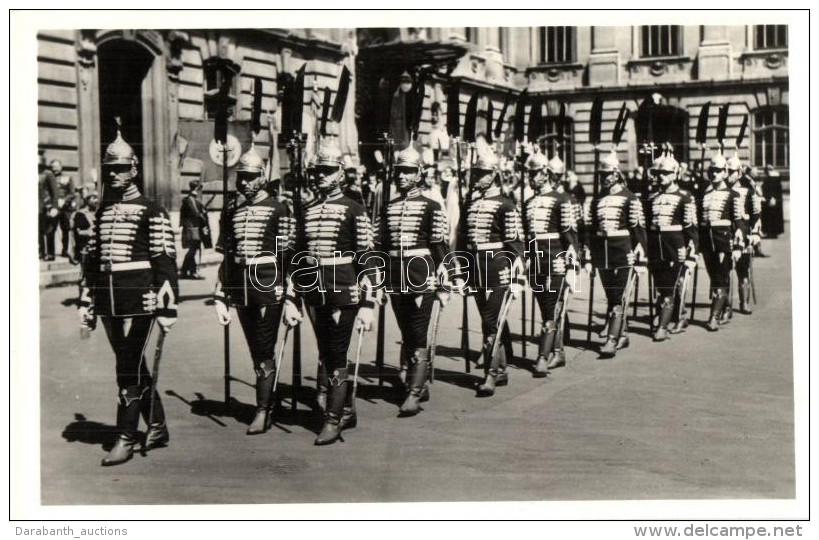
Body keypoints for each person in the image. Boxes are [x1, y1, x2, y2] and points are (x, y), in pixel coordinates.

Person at [77, 129, 179, 466]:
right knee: (133, 365)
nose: (115, 174)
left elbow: (165, 258)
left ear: (134, 169)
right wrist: (86, 301)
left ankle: (125, 437)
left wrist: (168, 304)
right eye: (110, 169)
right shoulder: (103, 211)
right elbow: (92, 260)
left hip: (141, 298)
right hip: (109, 301)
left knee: (127, 367)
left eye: (121, 168)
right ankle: (158, 425)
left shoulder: (152, 209)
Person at [283, 138, 380, 445]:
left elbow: (366, 256)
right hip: (314, 291)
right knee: (326, 353)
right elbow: (297, 256)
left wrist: (369, 302)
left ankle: (333, 419)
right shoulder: (307, 210)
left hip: (343, 289)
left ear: (340, 173)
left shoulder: (354, 209)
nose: (320, 176)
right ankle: (346, 408)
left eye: (327, 171)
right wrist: (291, 296)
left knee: (336, 354)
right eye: (318, 171)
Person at [213, 146, 295, 435]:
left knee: (263, 345)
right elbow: (228, 255)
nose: (244, 182)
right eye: (241, 177)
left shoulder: (278, 208)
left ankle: (263, 409)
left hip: (268, 283)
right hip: (241, 286)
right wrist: (220, 293)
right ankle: (267, 400)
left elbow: (288, 255)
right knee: (255, 347)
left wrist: (291, 296)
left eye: (250, 177)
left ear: (262, 176)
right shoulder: (233, 209)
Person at [373, 144, 452, 415]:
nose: (402, 176)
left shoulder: (431, 206)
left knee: (418, 334)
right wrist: (380, 281)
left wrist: (445, 282)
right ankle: (418, 382)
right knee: (406, 332)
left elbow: (440, 246)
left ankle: (414, 393)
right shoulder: (389, 206)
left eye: (407, 172)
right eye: (399, 171)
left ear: (418, 174)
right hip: (395, 277)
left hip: (421, 276)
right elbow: (381, 246)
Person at [464, 146, 525, 397]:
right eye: (476, 172)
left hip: (497, 267)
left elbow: (516, 243)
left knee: (491, 322)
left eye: (483, 173)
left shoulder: (505, 204)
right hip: (477, 268)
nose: (478, 177)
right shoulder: (471, 202)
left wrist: (518, 276)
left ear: (494, 175)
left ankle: (489, 373)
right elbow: (464, 238)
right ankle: (499, 370)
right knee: (487, 321)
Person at [584, 149, 647, 358]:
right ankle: (622, 334)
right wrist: (590, 256)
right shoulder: (597, 200)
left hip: (622, 251)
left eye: (607, 174)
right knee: (611, 296)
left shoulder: (630, 198)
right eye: (601, 175)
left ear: (616, 174)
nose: (603, 178)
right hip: (603, 254)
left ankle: (611, 339)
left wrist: (641, 255)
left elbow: (638, 228)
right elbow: (592, 230)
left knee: (619, 296)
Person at [524, 152, 580, 375]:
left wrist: (572, 267)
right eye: (529, 172)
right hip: (535, 262)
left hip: (555, 259)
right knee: (547, 308)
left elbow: (570, 236)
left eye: (534, 172)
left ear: (545, 173)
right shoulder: (528, 202)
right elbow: (528, 236)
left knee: (551, 310)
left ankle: (542, 357)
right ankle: (558, 352)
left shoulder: (561, 199)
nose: (531, 176)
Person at [645, 153, 698, 341]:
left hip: (674, 247)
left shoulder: (685, 198)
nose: (661, 176)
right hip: (655, 248)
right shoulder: (652, 198)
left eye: (666, 173)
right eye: (659, 173)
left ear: (675, 174)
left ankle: (663, 327)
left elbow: (691, 228)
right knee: (661, 286)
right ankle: (674, 316)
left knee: (669, 287)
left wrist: (692, 251)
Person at [698, 150, 746, 331]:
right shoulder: (705, 194)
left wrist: (738, 245)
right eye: (711, 171)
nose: (714, 174)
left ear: (725, 172)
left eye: (718, 170)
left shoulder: (733, 195)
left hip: (723, 242)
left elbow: (739, 221)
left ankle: (714, 317)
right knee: (715, 277)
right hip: (706, 242)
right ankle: (725, 307)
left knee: (720, 278)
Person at [727, 154, 762, 314]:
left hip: (744, 234)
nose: (728, 175)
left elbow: (755, 214)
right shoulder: (719, 189)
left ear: (739, 172)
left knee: (743, 269)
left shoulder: (748, 190)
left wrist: (755, 233)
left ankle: (744, 302)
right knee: (724, 270)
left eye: (732, 171)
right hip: (726, 234)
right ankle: (724, 305)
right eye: (726, 171)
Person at [179, 180, 210, 280]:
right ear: (196, 189)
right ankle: (191, 272)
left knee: (193, 251)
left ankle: (187, 271)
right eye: (199, 189)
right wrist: (203, 215)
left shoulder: (192, 199)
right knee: (192, 251)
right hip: (192, 229)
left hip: (193, 229)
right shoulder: (190, 199)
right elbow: (196, 213)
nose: (200, 191)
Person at [50, 159, 77, 261]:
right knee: (51, 230)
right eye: (53, 167)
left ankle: (65, 250)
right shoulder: (49, 178)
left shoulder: (67, 177)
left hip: (65, 208)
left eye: (56, 166)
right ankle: (50, 252)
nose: (54, 168)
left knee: (65, 229)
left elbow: (72, 193)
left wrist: (64, 201)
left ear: (61, 167)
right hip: (53, 207)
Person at [38, 155, 59, 261]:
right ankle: (41, 253)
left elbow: (55, 191)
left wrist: (55, 207)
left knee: (49, 231)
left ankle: (50, 254)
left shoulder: (48, 174)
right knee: (38, 231)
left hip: (47, 206)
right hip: (37, 207)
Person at [72, 190, 98, 264]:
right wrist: (91, 232)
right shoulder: (80, 214)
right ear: (87, 199)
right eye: (94, 198)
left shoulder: (98, 212)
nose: (96, 200)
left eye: (97, 198)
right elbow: (79, 232)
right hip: (86, 249)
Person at [760, 164, 784, 240]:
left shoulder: (771, 178)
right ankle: (774, 232)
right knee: (775, 217)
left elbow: (770, 189)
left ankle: (771, 232)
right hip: (775, 200)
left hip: (771, 200)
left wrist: (771, 198)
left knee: (770, 217)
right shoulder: (776, 178)